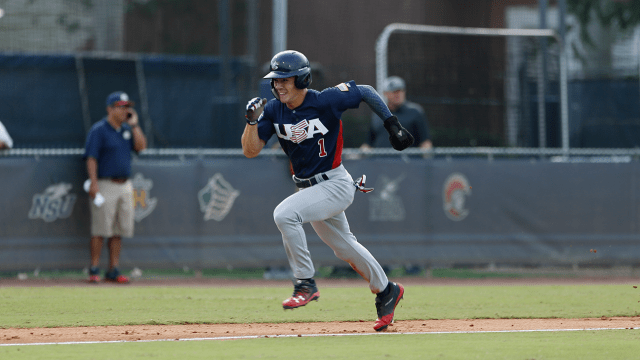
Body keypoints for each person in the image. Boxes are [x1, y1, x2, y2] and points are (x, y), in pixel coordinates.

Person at [242, 50, 414, 331]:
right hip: (308, 188)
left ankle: (305, 283)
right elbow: (250, 150)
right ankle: (387, 290)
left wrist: (391, 123)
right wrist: (251, 123)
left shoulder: (325, 100)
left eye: (286, 79)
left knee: (285, 215)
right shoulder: (273, 109)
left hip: (334, 183)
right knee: (344, 247)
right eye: (276, 80)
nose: (279, 85)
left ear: (303, 78)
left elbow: (367, 91)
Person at [83, 91, 147, 283]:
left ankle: (113, 269)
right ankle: (94, 269)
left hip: (124, 184)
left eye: (127, 106)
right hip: (105, 183)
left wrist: (134, 125)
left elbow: (141, 147)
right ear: (110, 109)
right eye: (121, 106)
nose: (125, 110)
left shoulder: (127, 130)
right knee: (100, 229)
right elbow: (91, 157)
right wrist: (93, 183)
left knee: (119, 230)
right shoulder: (99, 129)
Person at [360, 76, 432, 151]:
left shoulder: (415, 112)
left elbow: (425, 142)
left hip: (406, 161)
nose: (398, 94)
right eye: (394, 92)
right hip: (381, 161)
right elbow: (369, 143)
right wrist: (356, 155)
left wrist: (425, 159)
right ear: (385, 93)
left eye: (401, 91)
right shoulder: (377, 114)